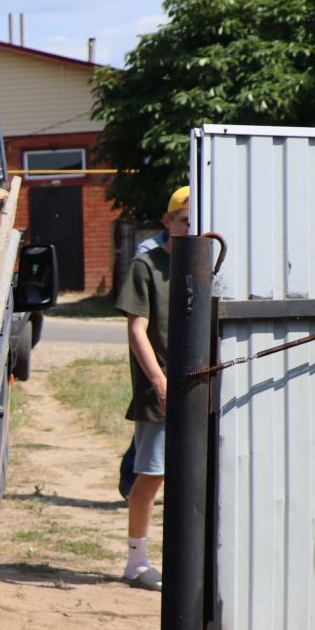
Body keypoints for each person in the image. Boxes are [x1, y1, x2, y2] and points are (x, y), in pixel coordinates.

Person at [116, 185, 192, 590]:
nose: (191, 228)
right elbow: (136, 329)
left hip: (198, 386)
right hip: (159, 392)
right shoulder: (146, 266)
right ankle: (136, 563)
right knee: (151, 476)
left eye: (197, 222)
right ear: (168, 222)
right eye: (184, 221)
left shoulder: (205, 263)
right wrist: (159, 380)